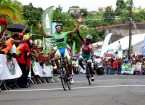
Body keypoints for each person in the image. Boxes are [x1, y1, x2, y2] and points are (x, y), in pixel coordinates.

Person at [38, 15, 82, 84]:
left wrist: (78, 23)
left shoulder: (65, 33)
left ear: (61, 29)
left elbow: (74, 31)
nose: (57, 29)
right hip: (58, 50)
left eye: (59, 28)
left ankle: (70, 76)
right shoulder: (54, 35)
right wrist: (41, 29)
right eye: (56, 28)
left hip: (64, 49)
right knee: (55, 58)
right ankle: (59, 70)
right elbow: (45, 36)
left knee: (69, 62)